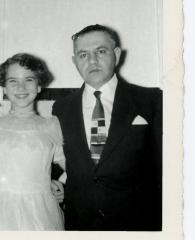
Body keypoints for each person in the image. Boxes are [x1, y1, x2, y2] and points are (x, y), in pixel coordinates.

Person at [52, 24, 162, 230]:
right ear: (75, 61)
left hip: (137, 223)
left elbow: (165, 168)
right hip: (79, 223)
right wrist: (56, 181)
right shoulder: (61, 108)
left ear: (117, 55)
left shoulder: (152, 100)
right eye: (83, 54)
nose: (92, 61)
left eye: (101, 51)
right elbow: (61, 160)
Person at [0, 53, 65, 230]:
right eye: (13, 81)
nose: (21, 87)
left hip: (41, 211)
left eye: (29, 80)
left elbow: (75, 167)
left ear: (39, 86)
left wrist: (62, 183)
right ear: (5, 88)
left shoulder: (51, 125)